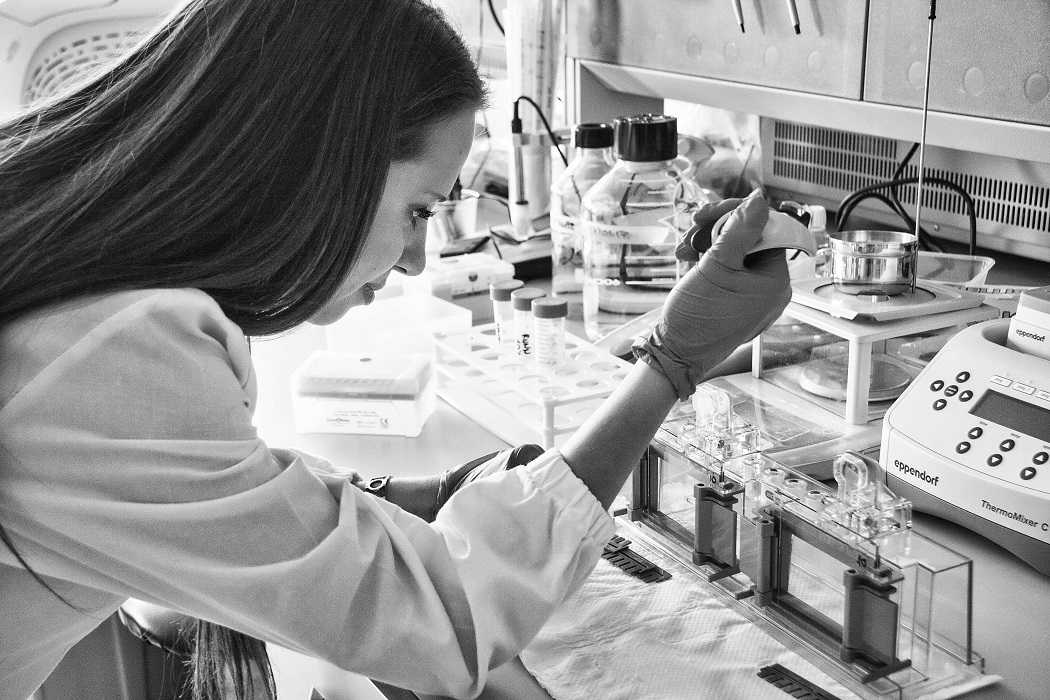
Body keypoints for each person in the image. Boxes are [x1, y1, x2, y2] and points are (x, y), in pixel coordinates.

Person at [0, 0, 791, 698]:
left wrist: (399, 495)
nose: (416, 260)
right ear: (317, 167)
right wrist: (671, 363)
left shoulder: (85, 286)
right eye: (418, 211)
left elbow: (197, 486)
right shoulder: (112, 353)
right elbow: (437, 617)